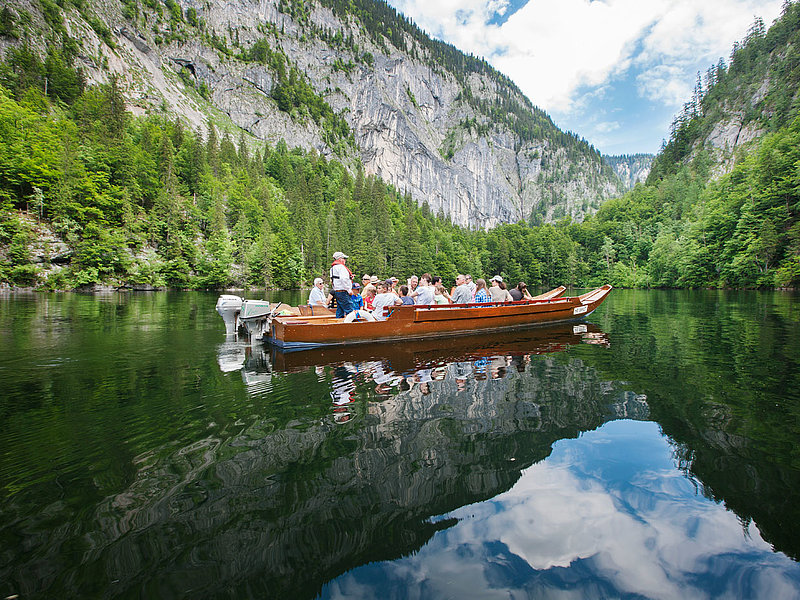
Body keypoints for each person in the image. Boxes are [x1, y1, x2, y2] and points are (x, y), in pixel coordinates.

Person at [329, 251, 353, 317]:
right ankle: (353, 326)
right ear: (340, 259)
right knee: (350, 310)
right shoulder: (341, 267)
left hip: (337, 292)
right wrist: (349, 290)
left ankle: (338, 323)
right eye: (344, 258)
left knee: (340, 310)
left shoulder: (332, 268)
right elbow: (344, 279)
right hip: (343, 292)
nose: (345, 260)